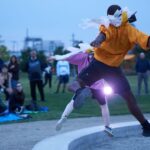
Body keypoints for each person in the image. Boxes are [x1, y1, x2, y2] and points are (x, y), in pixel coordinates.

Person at [66, 5, 150, 137]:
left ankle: (80, 90)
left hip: (98, 64)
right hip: (113, 70)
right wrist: (98, 40)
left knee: (75, 83)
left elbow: (103, 34)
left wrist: (97, 41)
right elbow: (144, 40)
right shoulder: (130, 30)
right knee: (129, 99)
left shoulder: (111, 25)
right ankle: (145, 126)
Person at [53, 47, 113, 136]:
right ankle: (107, 127)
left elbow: (69, 58)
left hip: (84, 84)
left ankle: (63, 117)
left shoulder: (82, 57)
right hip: (98, 86)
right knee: (103, 105)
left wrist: (59, 57)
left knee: (73, 101)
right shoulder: (101, 60)